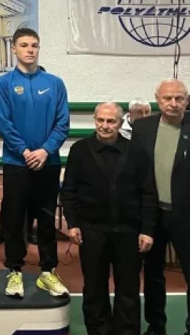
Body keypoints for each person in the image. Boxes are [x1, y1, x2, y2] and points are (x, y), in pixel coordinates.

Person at [62, 102, 157, 335]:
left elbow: (148, 192)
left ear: (120, 122)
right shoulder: (79, 150)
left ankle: (127, 331)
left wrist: (147, 229)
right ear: (94, 120)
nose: (105, 126)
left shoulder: (137, 153)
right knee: (94, 286)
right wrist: (72, 223)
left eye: (111, 121)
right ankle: (98, 330)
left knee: (129, 288)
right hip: (91, 230)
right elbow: (69, 189)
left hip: (129, 232)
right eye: (100, 120)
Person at [0, 27, 70, 299]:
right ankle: (15, 270)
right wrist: (25, 151)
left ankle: (48, 271)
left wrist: (45, 151)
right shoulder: (3, 84)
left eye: (34, 45)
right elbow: (4, 122)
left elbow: (62, 123)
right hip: (16, 163)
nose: (29, 50)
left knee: (47, 220)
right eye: (24, 45)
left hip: (48, 164)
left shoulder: (55, 83)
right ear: (14, 48)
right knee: (15, 219)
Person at [131, 79, 190, 335]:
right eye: (167, 98)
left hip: (186, 215)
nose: (173, 103)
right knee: (153, 275)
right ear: (157, 99)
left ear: (187, 101)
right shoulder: (142, 128)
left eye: (179, 98)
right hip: (151, 215)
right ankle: (156, 326)